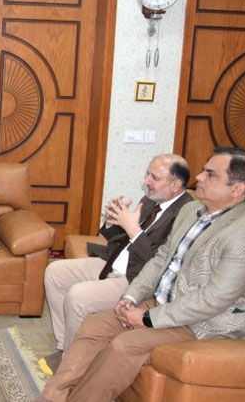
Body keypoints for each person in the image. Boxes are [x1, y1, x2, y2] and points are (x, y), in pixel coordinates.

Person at [36, 147, 245, 402]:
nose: (200, 177)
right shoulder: (193, 212)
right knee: (96, 324)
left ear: (236, 189)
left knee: (124, 345)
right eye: (203, 170)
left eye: (210, 174)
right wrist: (131, 297)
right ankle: (52, 396)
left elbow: (213, 300)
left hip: (205, 321)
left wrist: (148, 318)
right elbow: (161, 260)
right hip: (166, 301)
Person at [39, 154, 193, 374]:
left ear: (176, 184)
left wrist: (133, 230)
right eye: (148, 174)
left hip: (136, 279)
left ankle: (71, 362)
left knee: (77, 296)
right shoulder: (151, 200)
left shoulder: (187, 214)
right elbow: (123, 238)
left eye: (154, 177)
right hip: (113, 262)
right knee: (55, 272)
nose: (147, 181)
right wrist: (112, 222)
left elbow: (160, 263)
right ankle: (66, 346)